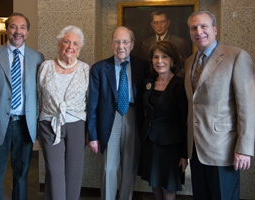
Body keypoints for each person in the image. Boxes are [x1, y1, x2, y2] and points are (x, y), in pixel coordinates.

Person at [184, 10, 255, 200]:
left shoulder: (236, 56)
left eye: (204, 26)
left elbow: (248, 106)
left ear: (215, 29)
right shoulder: (189, 62)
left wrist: (244, 148)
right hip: (197, 148)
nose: (199, 31)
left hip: (223, 149)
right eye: (194, 28)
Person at [0, 12, 44, 199]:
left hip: (25, 124)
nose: (17, 31)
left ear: (27, 32)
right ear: (7, 30)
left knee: (21, 175)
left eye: (22, 27)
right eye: (13, 26)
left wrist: (39, 124)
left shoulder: (38, 58)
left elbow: (40, 95)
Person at [87, 26, 149, 200]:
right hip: (109, 119)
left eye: (125, 41)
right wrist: (92, 135)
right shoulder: (99, 68)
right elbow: (92, 104)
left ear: (132, 44)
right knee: (109, 168)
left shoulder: (143, 66)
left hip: (133, 117)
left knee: (129, 168)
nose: (121, 46)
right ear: (111, 44)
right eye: (117, 41)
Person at [37, 25, 89, 200]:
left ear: (79, 49)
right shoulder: (45, 67)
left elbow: (90, 100)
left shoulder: (85, 69)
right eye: (66, 41)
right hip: (49, 123)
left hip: (77, 124)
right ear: (59, 44)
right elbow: (38, 96)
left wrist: (90, 131)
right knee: (55, 171)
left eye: (75, 43)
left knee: (74, 171)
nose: (70, 46)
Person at [139, 40, 188, 200]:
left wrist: (184, 154)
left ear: (172, 60)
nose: (159, 61)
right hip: (150, 143)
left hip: (171, 147)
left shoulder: (180, 85)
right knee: (155, 185)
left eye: (164, 57)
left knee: (168, 187)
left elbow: (184, 120)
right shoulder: (148, 82)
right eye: (156, 57)